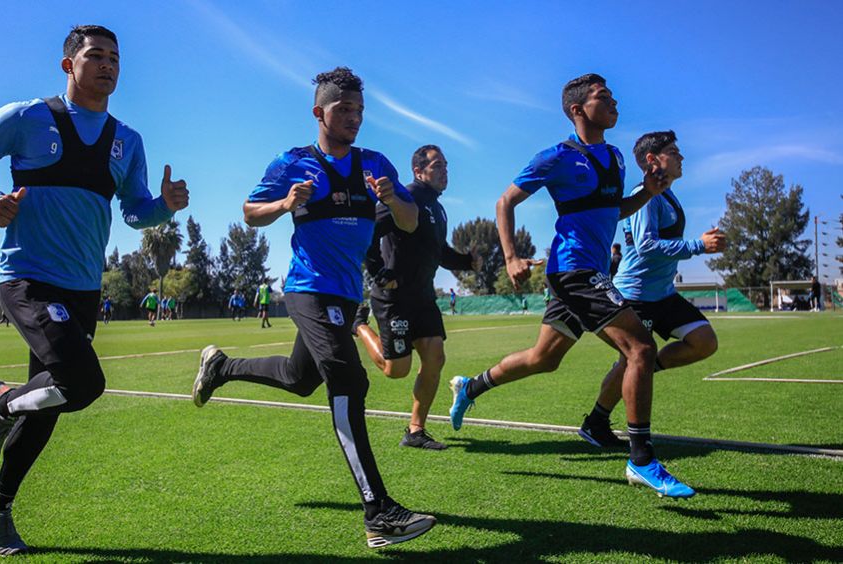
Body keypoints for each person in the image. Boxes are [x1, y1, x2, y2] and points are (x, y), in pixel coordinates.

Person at [0, 25, 189, 556]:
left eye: (114, 58)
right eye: (95, 56)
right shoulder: (28, 117)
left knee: (50, 403)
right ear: (69, 65)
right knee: (82, 383)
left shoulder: (128, 140)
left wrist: (165, 206)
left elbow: (134, 211)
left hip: (84, 288)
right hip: (28, 277)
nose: (107, 65)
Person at [191, 67, 435, 548]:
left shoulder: (375, 164)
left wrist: (391, 197)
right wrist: (283, 204)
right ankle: (378, 512)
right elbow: (248, 211)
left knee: (300, 378)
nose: (354, 118)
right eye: (344, 109)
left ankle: (221, 367)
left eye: (360, 110)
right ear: (319, 112)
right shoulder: (293, 162)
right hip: (308, 288)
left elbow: (408, 222)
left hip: (346, 294)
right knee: (349, 379)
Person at [447, 74, 694, 498]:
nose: (615, 101)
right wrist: (510, 257)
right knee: (640, 348)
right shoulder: (557, 156)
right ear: (578, 110)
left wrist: (648, 193)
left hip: (587, 271)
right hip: (574, 271)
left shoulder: (615, 157)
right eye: (604, 97)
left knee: (544, 359)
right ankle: (641, 459)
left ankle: (471, 387)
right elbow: (505, 201)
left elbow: (612, 211)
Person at [580, 130, 726, 449]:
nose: (681, 157)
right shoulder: (645, 196)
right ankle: (596, 423)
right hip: (636, 297)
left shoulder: (668, 195)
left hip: (663, 295)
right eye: (673, 152)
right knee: (628, 363)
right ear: (652, 160)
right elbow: (646, 246)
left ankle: (644, 368)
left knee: (704, 342)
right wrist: (698, 246)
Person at [354, 144, 479, 450]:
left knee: (435, 356)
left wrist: (466, 261)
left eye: (446, 166)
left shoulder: (437, 207)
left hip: (423, 297)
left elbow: (438, 251)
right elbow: (367, 233)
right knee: (396, 370)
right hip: (393, 297)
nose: (444, 171)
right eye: (437, 166)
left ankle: (415, 431)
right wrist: (379, 273)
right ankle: (358, 325)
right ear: (418, 171)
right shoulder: (405, 197)